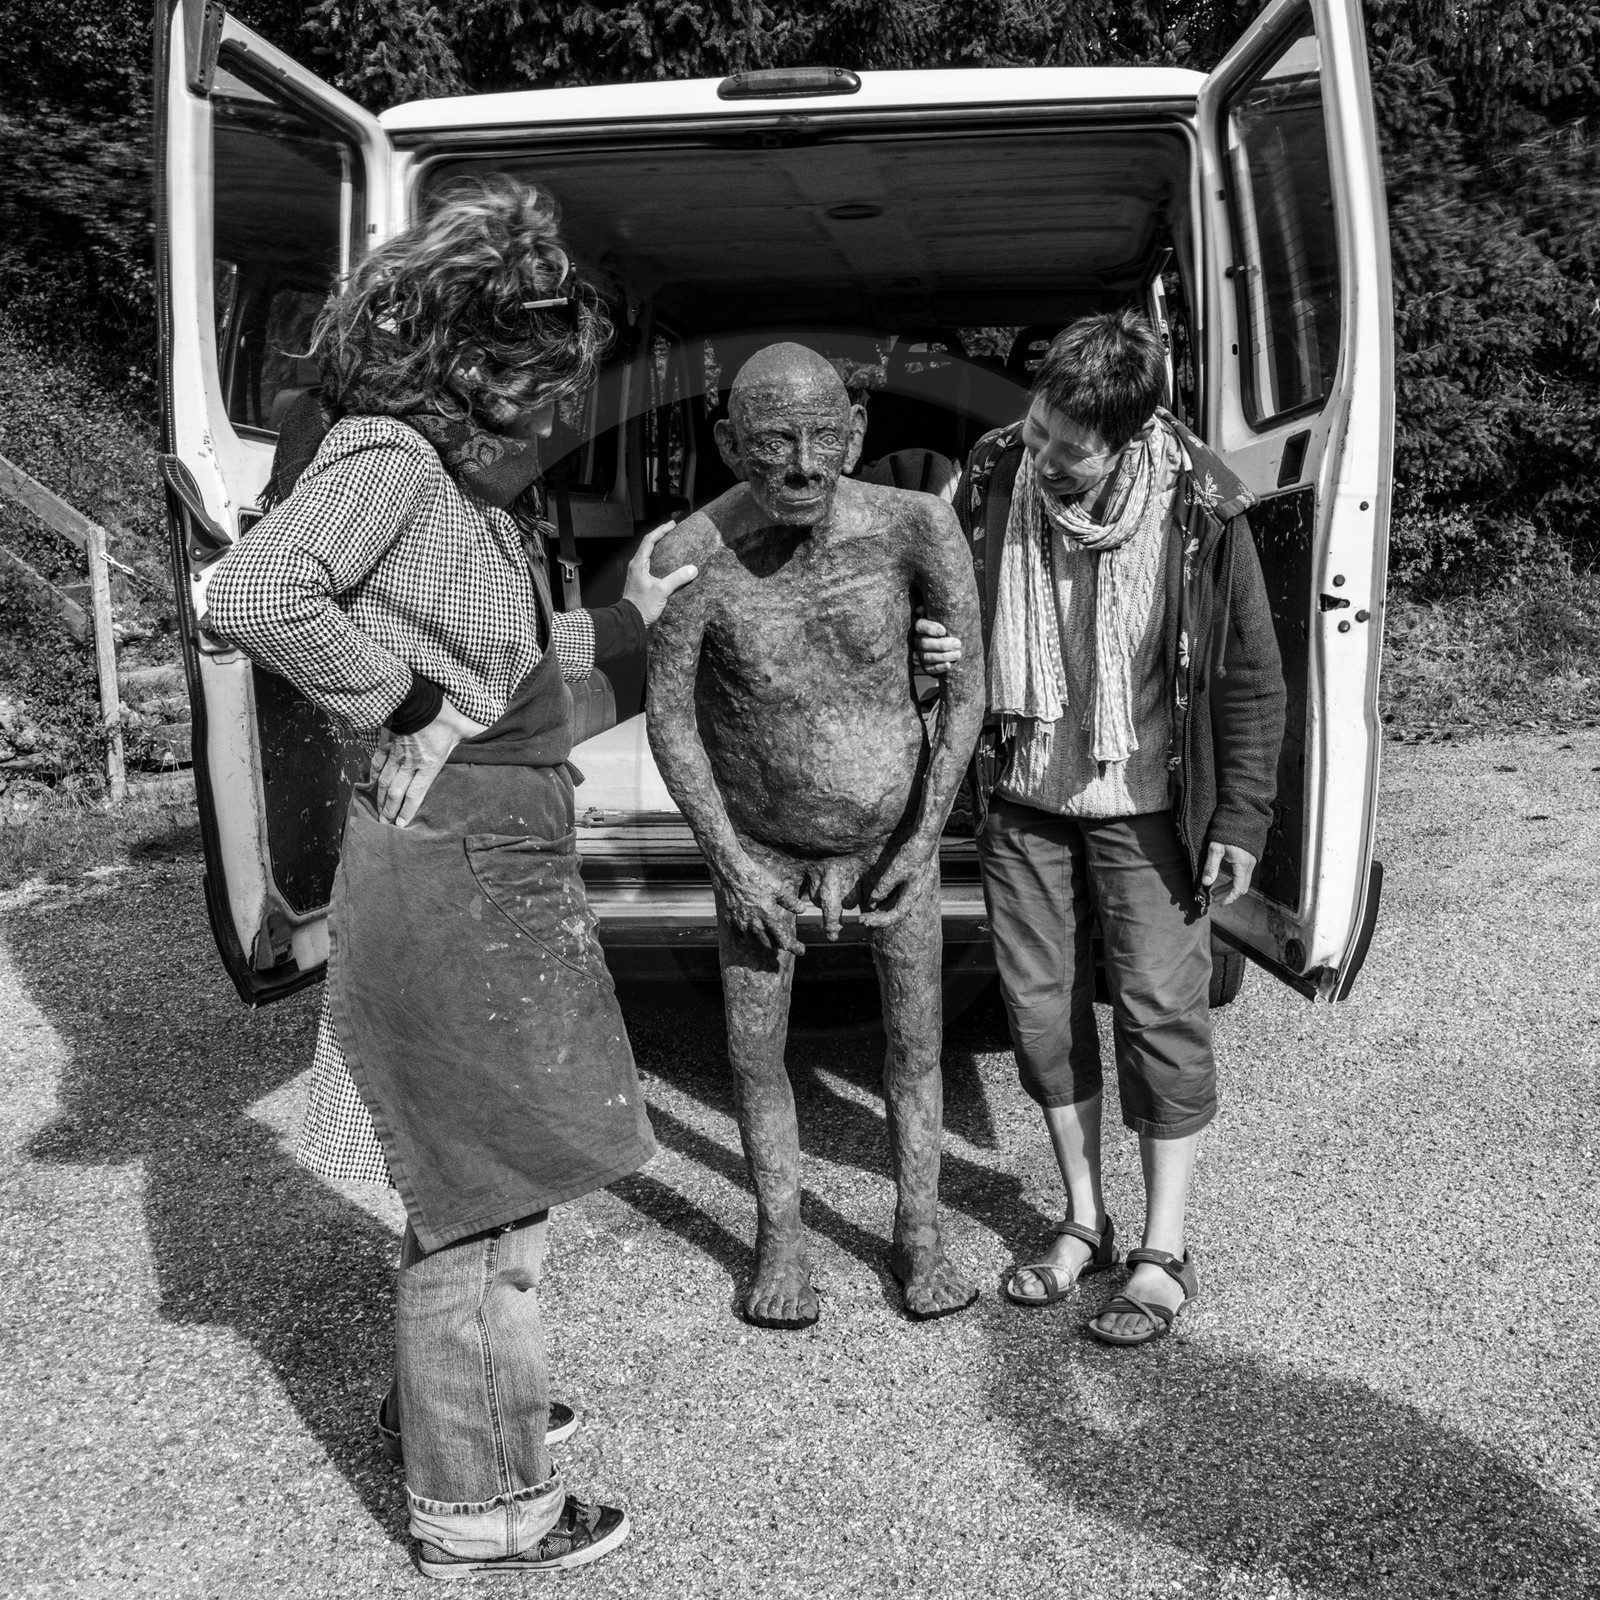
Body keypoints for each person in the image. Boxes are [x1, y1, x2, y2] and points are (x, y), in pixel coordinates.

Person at [206, 178, 696, 1575]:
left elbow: (494, 653)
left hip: (491, 850)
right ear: (480, 369)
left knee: (475, 1172)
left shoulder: (450, 489)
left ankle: (456, 1405)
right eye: (552, 386)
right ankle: (485, 1507)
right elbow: (249, 595)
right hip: (457, 861)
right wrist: (400, 708)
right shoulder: (394, 461)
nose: (563, 414)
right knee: (484, 1194)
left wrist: (627, 616)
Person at [914, 310, 1285, 1346]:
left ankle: (1162, 1248)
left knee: (1162, 1014)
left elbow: (1250, 679)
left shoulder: (1203, 507)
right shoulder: (988, 475)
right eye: (1035, 428)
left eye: (1064, 449)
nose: (1039, 454)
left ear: (1130, 433)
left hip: (1151, 807)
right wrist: (939, 640)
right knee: (1038, 1014)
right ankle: (1084, 1217)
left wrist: (1243, 816)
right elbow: (931, 603)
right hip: (1024, 794)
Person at [645, 343, 986, 1327]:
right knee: (755, 1056)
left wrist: (925, 837)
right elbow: (671, 720)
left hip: (894, 846)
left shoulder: (918, 528)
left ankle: (917, 1232)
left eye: (819, 438)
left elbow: (965, 687)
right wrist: (731, 861)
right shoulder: (692, 555)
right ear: (726, 444)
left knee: (915, 1049)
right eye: (769, 442)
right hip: (763, 851)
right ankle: (781, 1235)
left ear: (856, 434)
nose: (799, 465)